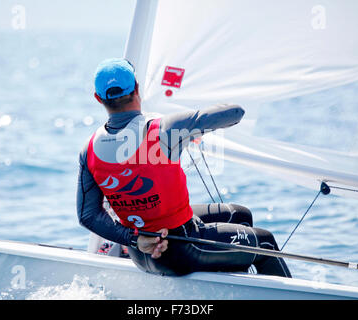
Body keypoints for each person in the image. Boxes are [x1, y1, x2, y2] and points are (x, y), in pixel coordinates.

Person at [77, 58, 291, 277]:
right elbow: (236, 112)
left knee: (239, 215)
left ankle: (233, 289)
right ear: (137, 87)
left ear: (98, 98)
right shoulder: (164, 128)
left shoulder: (89, 148)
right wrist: (187, 123)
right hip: (180, 250)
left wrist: (135, 239)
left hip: (140, 250)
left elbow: (88, 215)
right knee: (265, 243)